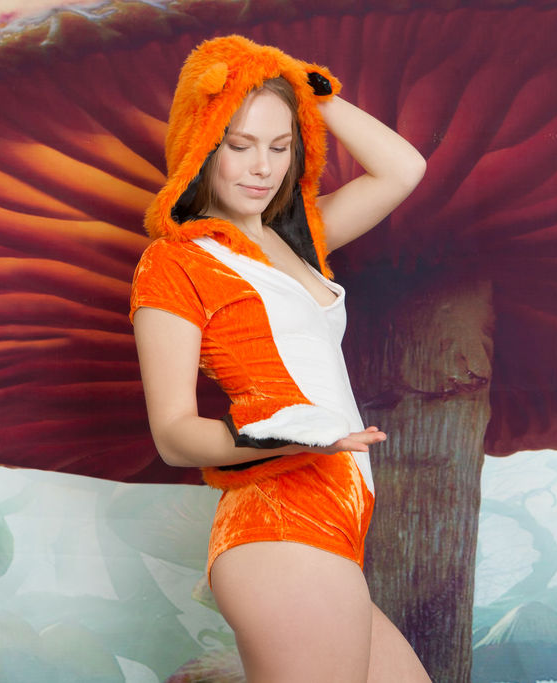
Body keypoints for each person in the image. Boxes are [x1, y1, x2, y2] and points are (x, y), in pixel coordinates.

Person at [130, 35, 429, 683]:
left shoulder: (299, 242)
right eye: (239, 145)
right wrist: (289, 434)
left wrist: (308, 91)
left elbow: (403, 169)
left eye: (280, 146)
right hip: (279, 523)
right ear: (200, 144)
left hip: (334, 528)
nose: (261, 168)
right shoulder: (175, 262)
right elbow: (174, 435)